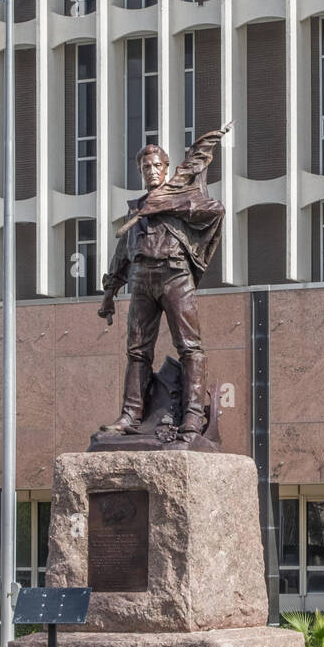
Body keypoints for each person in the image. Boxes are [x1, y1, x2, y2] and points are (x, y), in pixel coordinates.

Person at [97, 122, 232, 443]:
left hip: (175, 275)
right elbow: (123, 252)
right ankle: (130, 415)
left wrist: (167, 203)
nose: (152, 170)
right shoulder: (138, 208)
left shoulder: (181, 198)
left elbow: (216, 210)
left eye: (157, 165)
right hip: (141, 279)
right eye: (146, 166)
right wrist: (109, 292)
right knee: (137, 351)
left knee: (189, 347)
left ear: (167, 168)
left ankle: (192, 415)